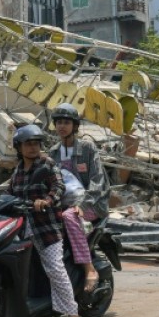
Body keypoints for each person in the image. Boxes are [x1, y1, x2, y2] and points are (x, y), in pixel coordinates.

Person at [4, 125, 82, 317]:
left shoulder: (47, 164)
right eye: (28, 144)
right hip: (22, 228)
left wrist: (45, 201)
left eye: (36, 143)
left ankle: (73, 316)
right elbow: (8, 192)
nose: (32, 147)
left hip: (46, 227)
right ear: (18, 147)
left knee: (55, 268)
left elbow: (58, 188)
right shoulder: (18, 170)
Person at [48, 103, 110, 297]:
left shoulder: (87, 148)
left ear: (75, 126)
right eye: (58, 122)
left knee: (69, 216)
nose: (61, 126)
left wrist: (83, 205)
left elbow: (98, 180)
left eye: (66, 122)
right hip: (64, 203)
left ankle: (88, 268)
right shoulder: (53, 152)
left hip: (92, 204)